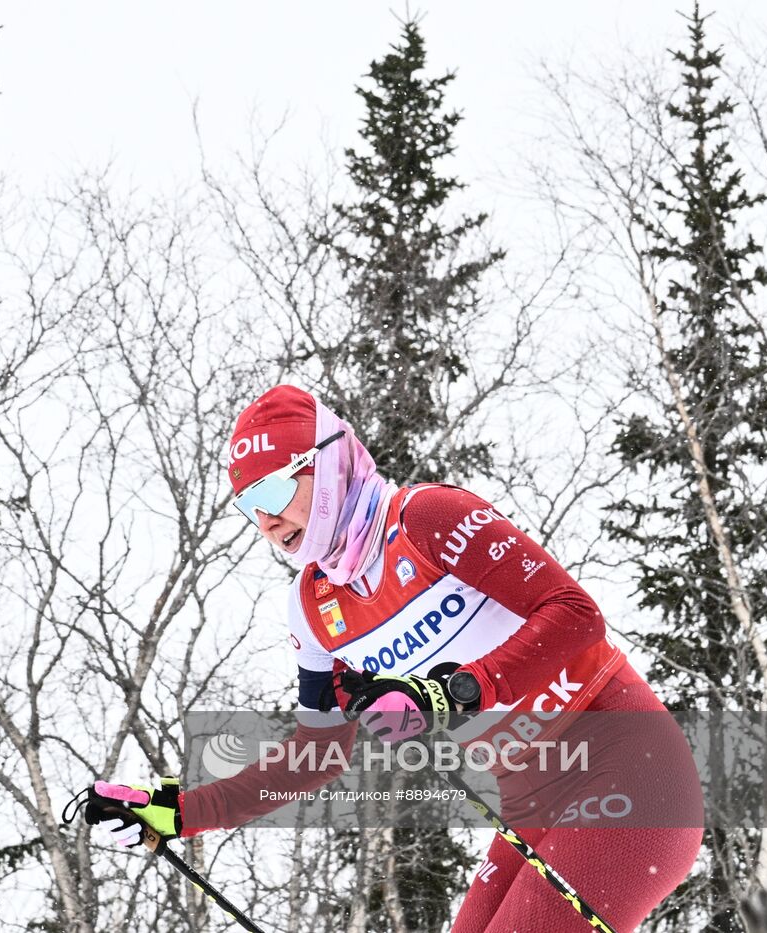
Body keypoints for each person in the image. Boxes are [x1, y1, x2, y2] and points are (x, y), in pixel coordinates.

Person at [84, 385, 703, 932]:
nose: (267, 520)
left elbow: (575, 614)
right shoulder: (314, 607)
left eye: (274, 489)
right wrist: (183, 813)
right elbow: (316, 754)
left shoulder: (428, 519)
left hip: (631, 776)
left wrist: (451, 693)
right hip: (534, 805)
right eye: (250, 505)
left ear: (325, 465)